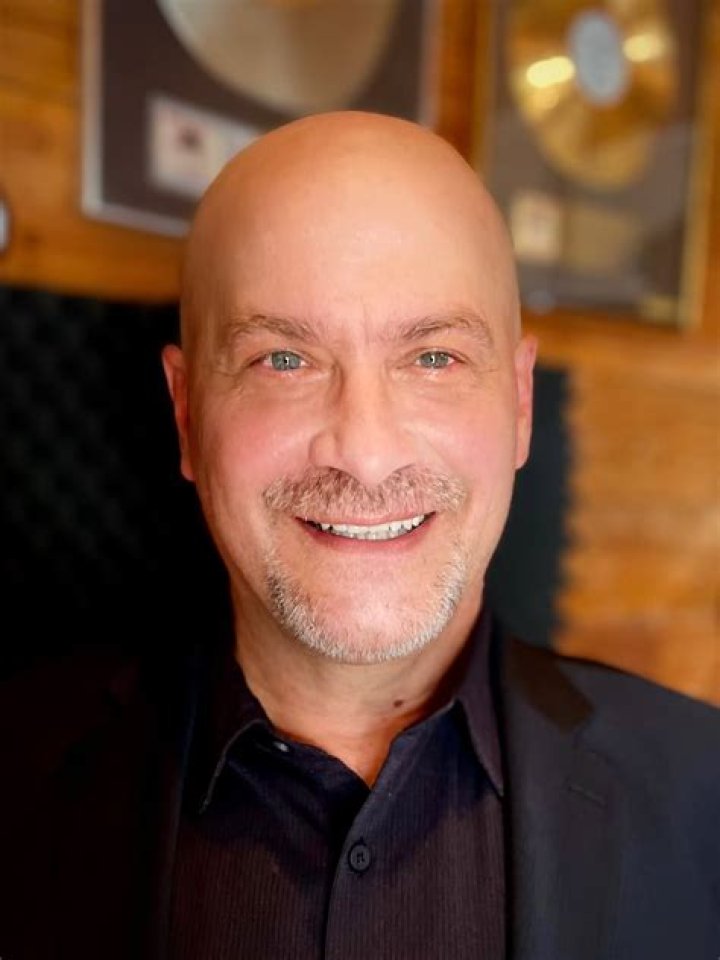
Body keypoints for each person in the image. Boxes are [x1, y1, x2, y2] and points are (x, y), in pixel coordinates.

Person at [1, 112, 718, 960]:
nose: (366, 452)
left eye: (434, 358)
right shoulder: (17, 764)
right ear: (187, 413)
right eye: (284, 360)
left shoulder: (703, 792)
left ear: (521, 405)